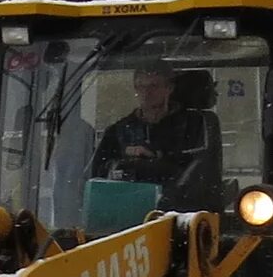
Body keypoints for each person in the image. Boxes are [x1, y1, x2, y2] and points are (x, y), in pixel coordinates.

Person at [93, 64, 223, 211]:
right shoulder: (118, 131)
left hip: (182, 216)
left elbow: (200, 174)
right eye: (141, 86)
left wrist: (158, 158)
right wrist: (124, 161)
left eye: (154, 86)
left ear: (169, 88)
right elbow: (97, 176)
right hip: (126, 214)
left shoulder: (195, 126)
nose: (146, 92)